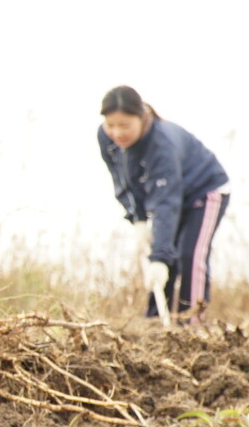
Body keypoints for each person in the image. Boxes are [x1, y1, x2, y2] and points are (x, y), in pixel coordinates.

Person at [96, 85, 231, 321]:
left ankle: (193, 326)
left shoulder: (161, 144)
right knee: (165, 259)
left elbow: (165, 204)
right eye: (111, 125)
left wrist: (159, 257)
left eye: (125, 125)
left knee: (188, 256)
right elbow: (122, 182)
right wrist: (137, 218)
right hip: (169, 198)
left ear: (141, 117)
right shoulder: (107, 138)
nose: (117, 132)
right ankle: (155, 325)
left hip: (204, 192)